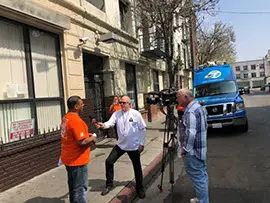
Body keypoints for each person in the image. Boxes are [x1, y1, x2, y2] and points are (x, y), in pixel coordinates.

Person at [95, 96, 146, 199]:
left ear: (129, 104)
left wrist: (141, 143)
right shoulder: (117, 114)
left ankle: (140, 188)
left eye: (124, 103)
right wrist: (103, 125)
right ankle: (109, 184)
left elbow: (142, 129)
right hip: (121, 145)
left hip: (133, 146)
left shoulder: (136, 114)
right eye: (121, 102)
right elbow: (110, 123)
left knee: (137, 168)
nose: (122, 104)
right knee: (109, 161)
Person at [60, 96, 97, 203]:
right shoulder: (76, 120)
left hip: (68, 158)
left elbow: (72, 135)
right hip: (77, 160)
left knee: (73, 187)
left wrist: (87, 135)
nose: (83, 105)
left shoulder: (66, 118)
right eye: (81, 104)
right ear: (76, 106)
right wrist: (93, 138)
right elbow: (82, 142)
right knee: (80, 189)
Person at [177, 89, 209, 203]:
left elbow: (191, 132)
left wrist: (185, 149)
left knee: (198, 177)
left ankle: (203, 201)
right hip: (200, 149)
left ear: (185, 97)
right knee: (201, 176)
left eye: (178, 97)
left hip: (193, 151)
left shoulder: (190, 111)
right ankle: (202, 199)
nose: (177, 100)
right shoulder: (198, 107)